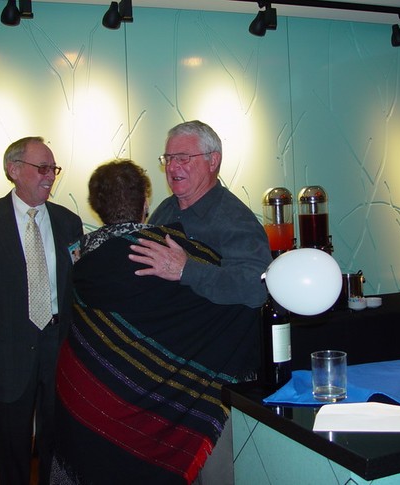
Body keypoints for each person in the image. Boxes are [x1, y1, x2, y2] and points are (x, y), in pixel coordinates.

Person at [50, 160, 261, 485]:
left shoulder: (81, 260)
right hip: (163, 402)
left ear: (96, 207)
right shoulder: (171, 251)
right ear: (146, 204)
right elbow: (240, 298)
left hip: (95, 395)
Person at [129, 120, 272, 484]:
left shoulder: (235, 219)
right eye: (168, 158)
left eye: (184, 158)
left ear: (213, 160)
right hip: (170, 376)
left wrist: (187, 270)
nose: (173, 167)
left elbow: (256, 287)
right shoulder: (164, 212)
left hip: (215, 384)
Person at [0, 136, 83, 485]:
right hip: (7, 357)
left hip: (58, 350)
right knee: (12, 451)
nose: (50, 176)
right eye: (42, 168)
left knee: (55, 445)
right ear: (14, 169)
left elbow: (77, 292)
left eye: (53, 169)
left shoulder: (68, 222)